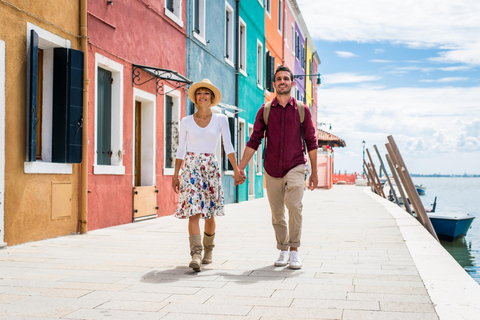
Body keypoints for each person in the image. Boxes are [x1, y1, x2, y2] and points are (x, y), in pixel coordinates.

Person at [238, 66, 318, 270]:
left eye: (286, 78)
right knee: (277, 211)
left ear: (292, 83)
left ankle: (294, 251)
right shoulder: (264, 110)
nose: (282, 81)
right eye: (278, 79)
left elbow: (311, 141)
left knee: (294, 205)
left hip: (295, 165)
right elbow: (254, 139)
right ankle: (283, 248)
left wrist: (314, 173)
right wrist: (241, 167)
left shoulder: (302, 109)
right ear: (274, 84)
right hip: (272, 167)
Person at [172, 79, 244, 272]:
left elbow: (228, 146)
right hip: (190, 169)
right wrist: (175, 175)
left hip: (210, 169)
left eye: (206, 93)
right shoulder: (186, 121)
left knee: (209, 215)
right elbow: (180, 150)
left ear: (211, 98)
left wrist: (236, 170)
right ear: (195, 97)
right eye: (199, 93)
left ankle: (208, 249)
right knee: (193, 212)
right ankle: (196, 254)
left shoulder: (220, 119)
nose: (202, 96)